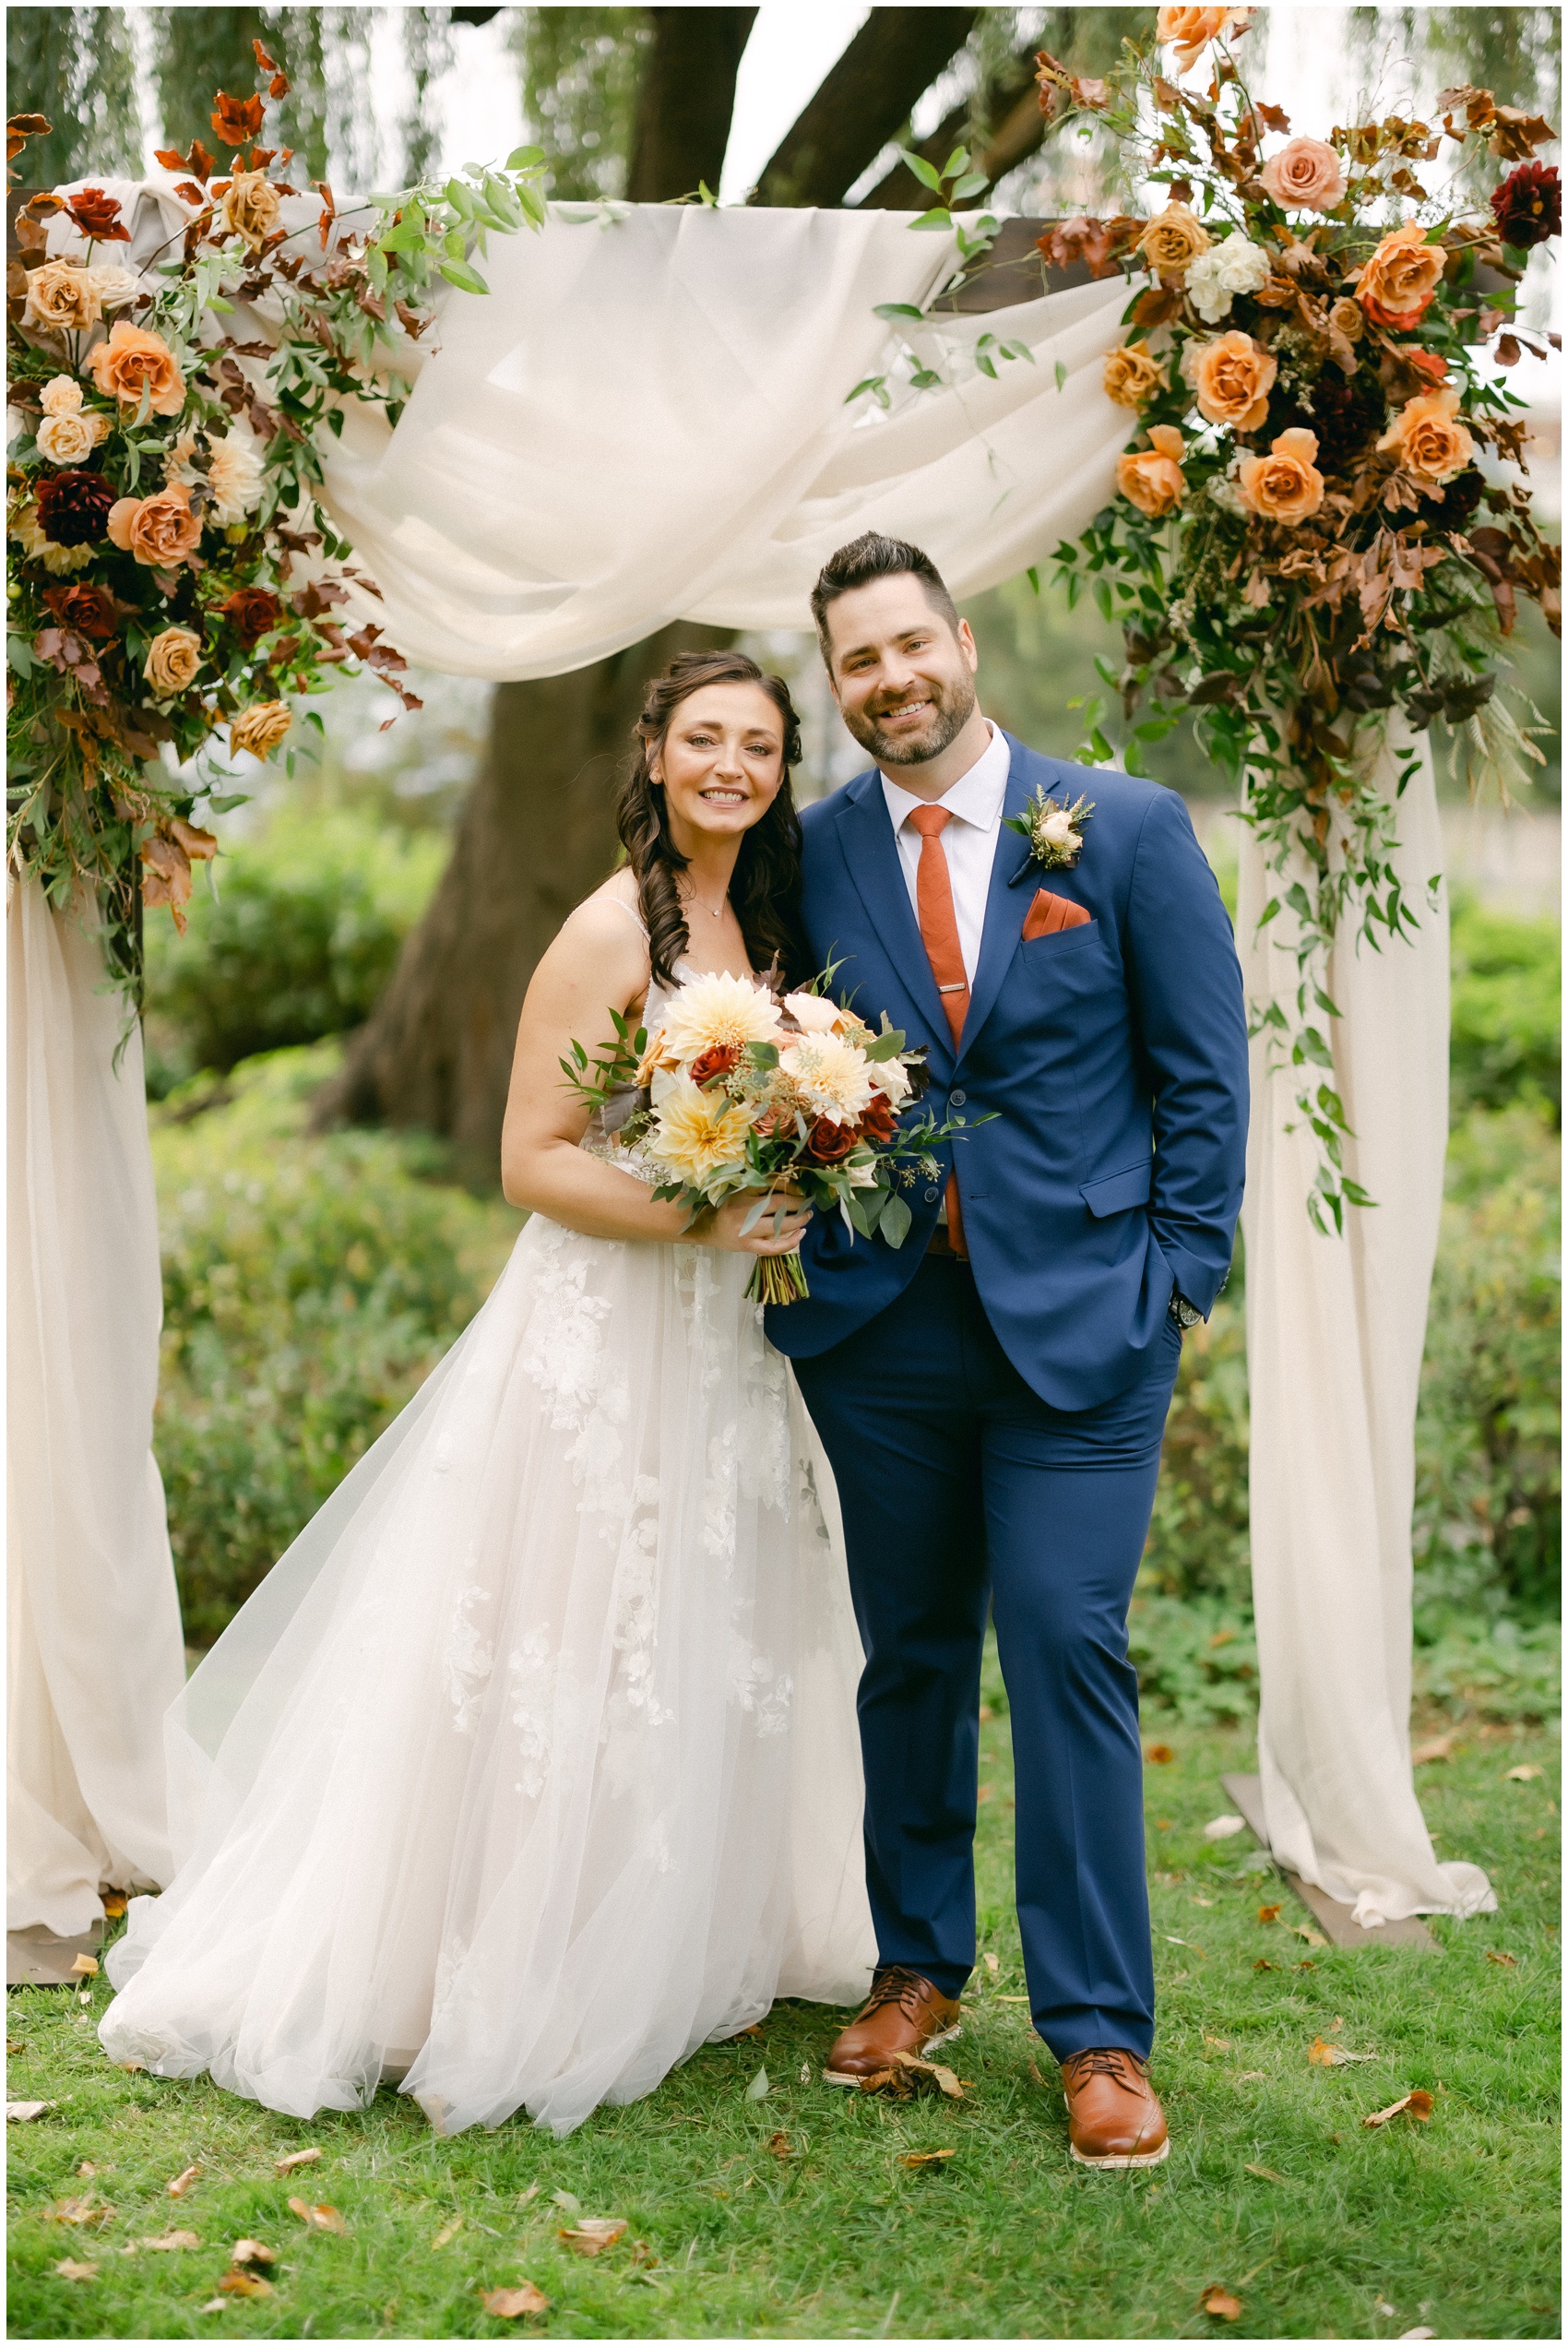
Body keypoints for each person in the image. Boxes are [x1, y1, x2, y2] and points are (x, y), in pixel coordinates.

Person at [98, 649, 875, 2138]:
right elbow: (534, 1158)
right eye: (703, 738)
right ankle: (481, 1958)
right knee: (565, 1635)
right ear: (652, 756)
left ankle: (671, 1926)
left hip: (719, 1339)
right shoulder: (605, 931)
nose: (731, 764)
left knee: (692, 1625)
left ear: (784, 766)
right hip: (605, 1332)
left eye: (760, 744)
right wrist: (704, 1220)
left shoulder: (757, 917)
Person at [766, 533, 1249, 2169]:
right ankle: (917, 1966)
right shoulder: (813, 852)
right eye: (856, 663)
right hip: (881, 1330)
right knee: (907, 1653)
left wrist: (1182, 1275)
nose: (889, 681)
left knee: (1065, 1648)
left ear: (962, 643)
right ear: (836, 688)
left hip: (1090, 1329)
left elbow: (1204, 1073)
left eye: (909, 646)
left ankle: (1102, 2030)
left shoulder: (1119, 829)